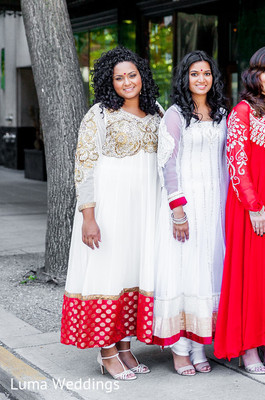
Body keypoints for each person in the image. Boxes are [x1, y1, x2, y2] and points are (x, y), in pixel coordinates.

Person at [60, 47, 163, 380]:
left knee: (134, 272)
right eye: (119, 78)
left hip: (145, 209)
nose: (127, 82)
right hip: (110, 209)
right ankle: (106, 353)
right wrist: (89, 216)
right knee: (109, 272)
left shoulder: (157, 112)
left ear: (142, 77)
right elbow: (84, 165)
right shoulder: (99, 115)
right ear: (110, 82)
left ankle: (124, 347)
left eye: (132, 75)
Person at [213, 46, 265, 374]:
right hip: (253, 207)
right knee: (253, 274)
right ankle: (248, 346)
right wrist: (253, 205)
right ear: (255, 74)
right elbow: (237, 161)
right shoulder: (243, 111)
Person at [152, 51, 229, 376]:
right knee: (184, 270)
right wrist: (177, 209)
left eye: (206, 73)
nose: (201, 79)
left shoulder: (222, 113)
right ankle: (180, 350)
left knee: (208, 272)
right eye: (195, 74)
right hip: (185, 202)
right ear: (185, 78)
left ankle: (200, 346)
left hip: (215, 203)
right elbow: (167, 163)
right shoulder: (175, 114)